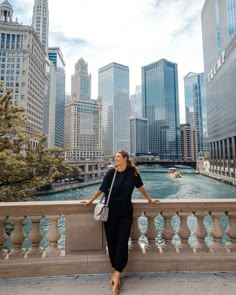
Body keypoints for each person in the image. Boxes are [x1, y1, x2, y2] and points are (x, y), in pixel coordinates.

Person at [81, 150, 160, 295]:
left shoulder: (133, 172)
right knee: (111, 241)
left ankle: (117, 273)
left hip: (125, 212)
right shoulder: (112, 173)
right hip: (110, 211)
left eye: (118, 157)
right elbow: (102, 189)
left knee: (123, 241)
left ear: (125, 158)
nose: (115, 158)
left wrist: (149, 199)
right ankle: (115, 270)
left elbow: (140, 187)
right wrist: (90, 201)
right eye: (115, 157)